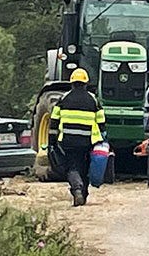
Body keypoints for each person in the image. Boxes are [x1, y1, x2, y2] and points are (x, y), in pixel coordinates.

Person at [48, 68, 106, 207]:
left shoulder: (64, 99)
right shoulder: (93, 99)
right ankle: (84, 193)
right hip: (87, 140)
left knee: (72, 167)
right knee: (84, 167)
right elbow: (101, 121)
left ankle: (77, 189)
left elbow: (54, 120)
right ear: (85, 83)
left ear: (72, 83)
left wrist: (52, 140)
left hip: (68, 140)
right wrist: (103, 138)